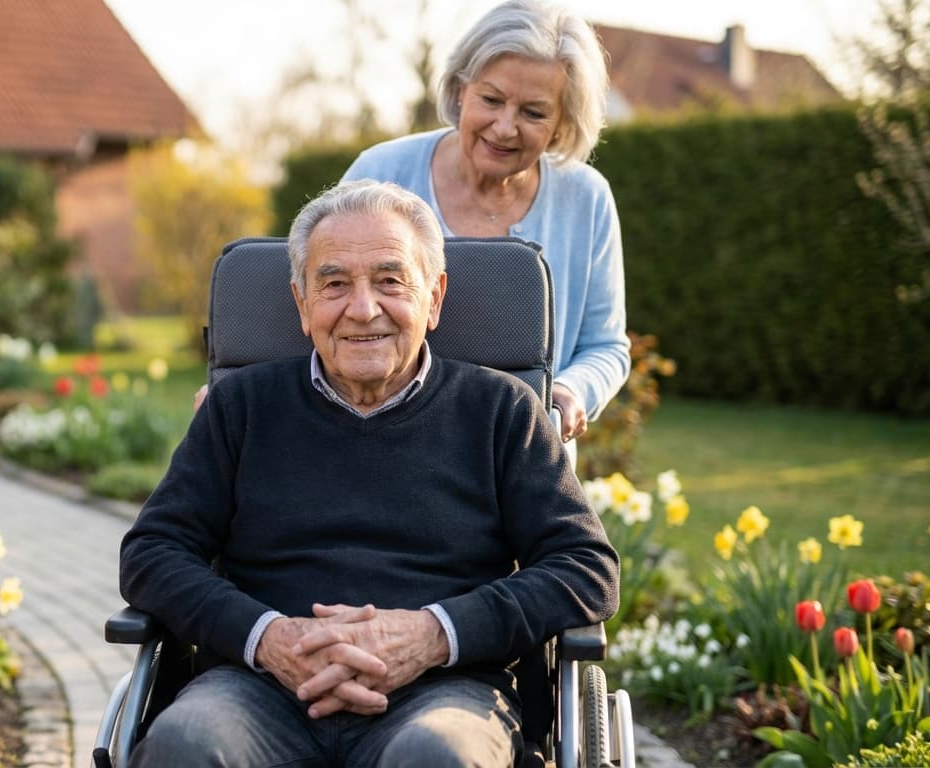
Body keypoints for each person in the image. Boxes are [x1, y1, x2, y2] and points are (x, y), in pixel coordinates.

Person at [120, 180, 619, 767]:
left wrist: (432, 635)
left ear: (433, 298)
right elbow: (151, 552)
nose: (362, 310)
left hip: (444, 690)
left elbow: (586, 567)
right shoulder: (240, 408)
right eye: (334, 284)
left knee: (439, 756)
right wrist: (269, 637)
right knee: (184, 744)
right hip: (256, 690)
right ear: (302, 304)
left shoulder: (502, 411)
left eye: (390, 281)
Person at [341, 0, 629, 463]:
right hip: (385, 450)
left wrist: (572, 391)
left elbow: (606, 345)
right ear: (461, 90)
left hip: (528, 460)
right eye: (491, 100)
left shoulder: (586, 198)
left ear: (561, 125)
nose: (505, 127)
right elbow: (321, 299)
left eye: (533, 112)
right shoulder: (380, 172)